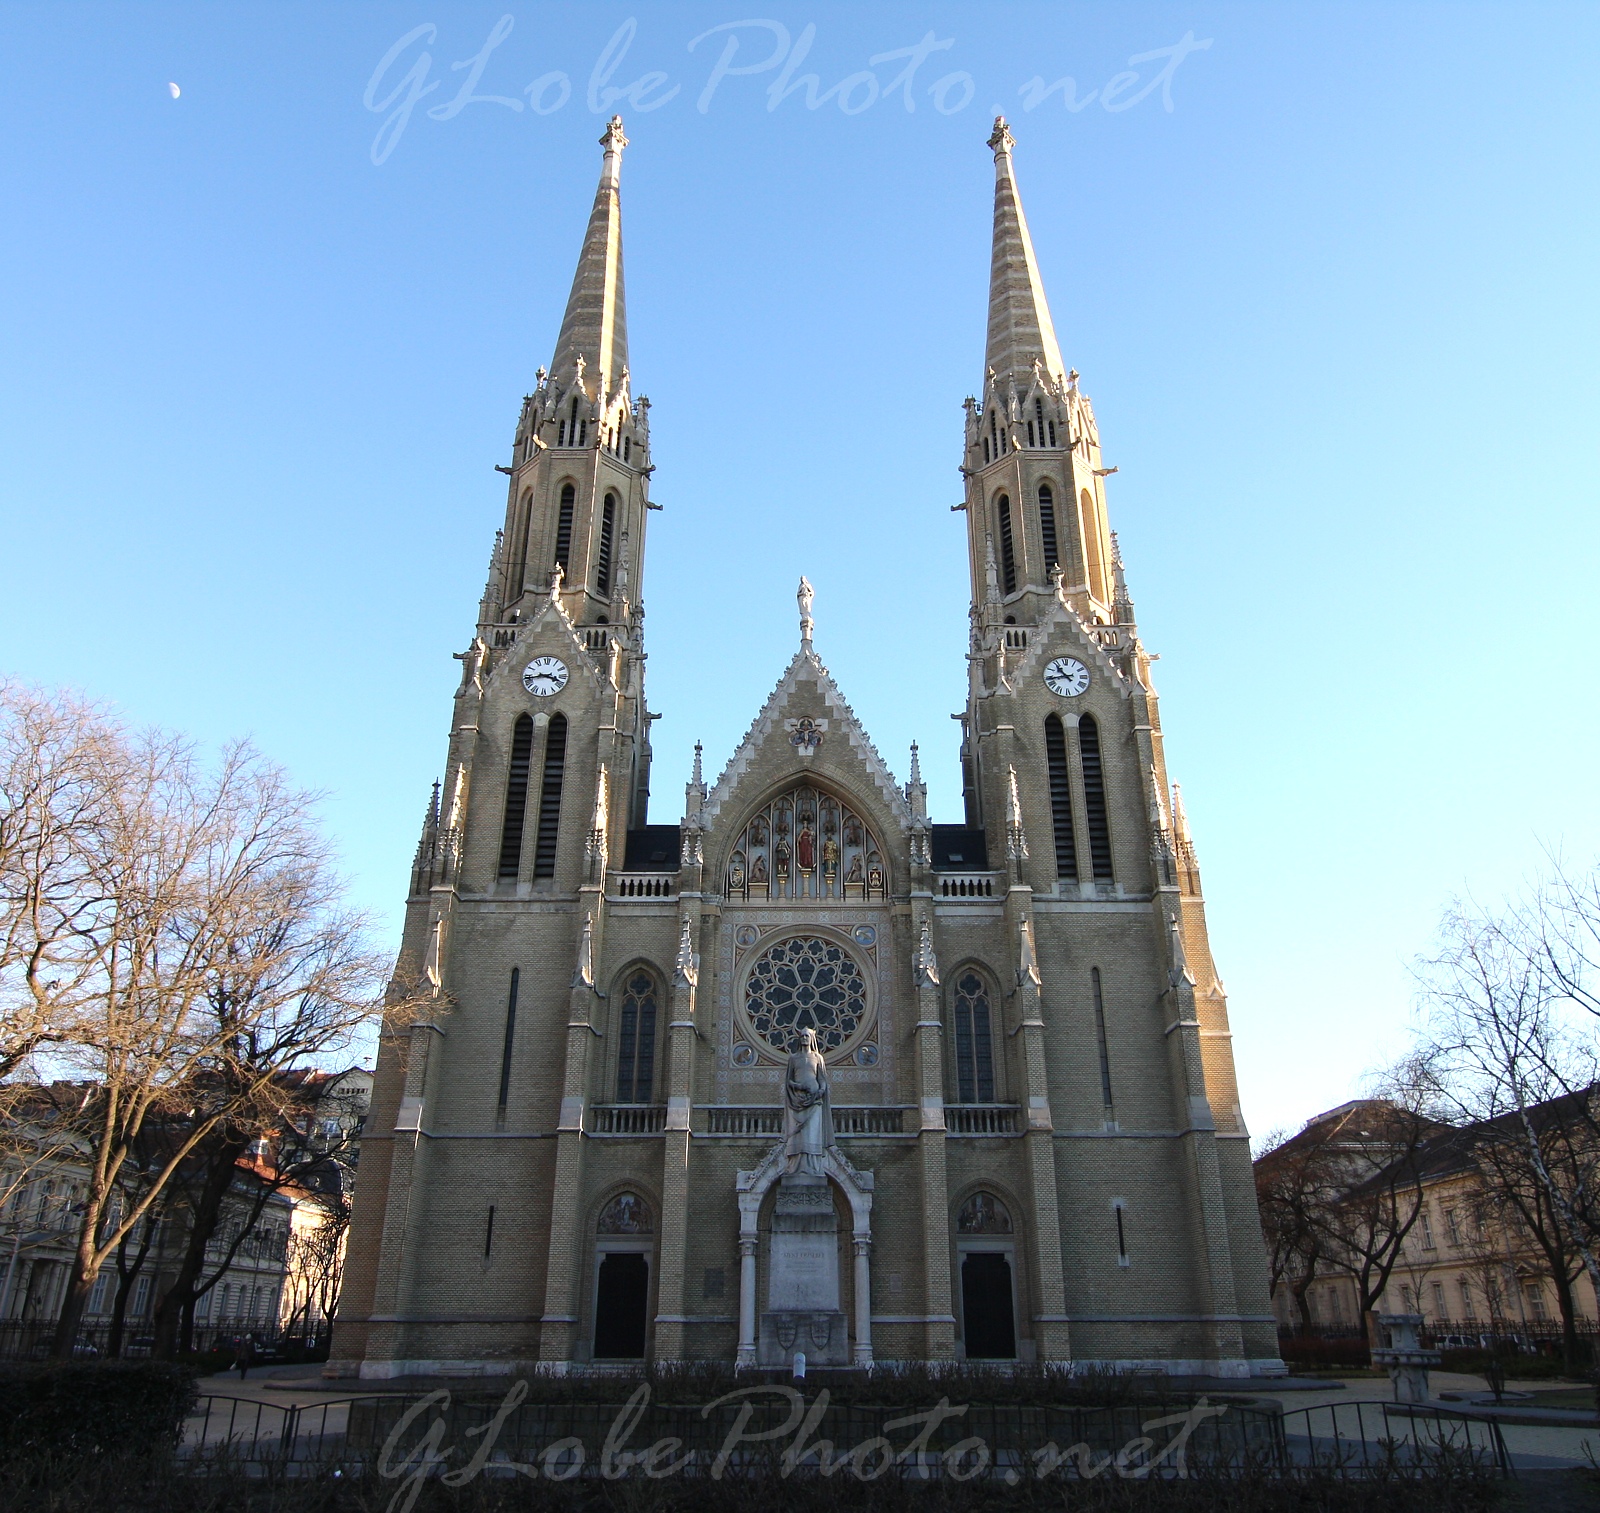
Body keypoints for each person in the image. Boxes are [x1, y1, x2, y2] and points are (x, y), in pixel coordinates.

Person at [782, 1027, 834, 1179]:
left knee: (813, 1135)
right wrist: (798, 1087)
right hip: (796, 1102)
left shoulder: (818, 1058)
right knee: (797, 1136)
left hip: (814, 1102)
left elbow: (822, 1080)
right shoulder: (793, 1059)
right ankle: (795, 1165)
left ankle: (814, 1166)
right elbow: (788, 1081)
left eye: (807, 1036)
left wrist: (819, 1091)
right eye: (802, 1036)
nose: (804, 1038)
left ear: (812, 1039)